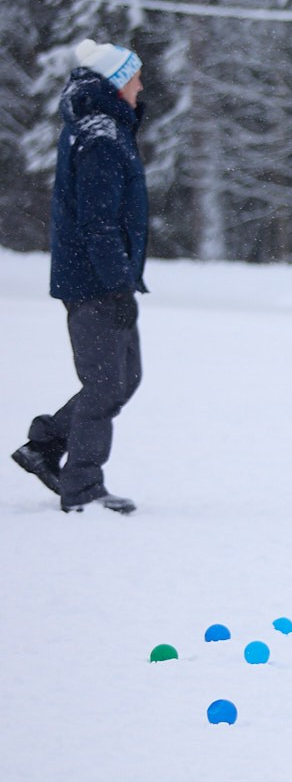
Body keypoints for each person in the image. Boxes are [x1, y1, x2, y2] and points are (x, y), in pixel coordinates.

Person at [13, 40, 150, 515]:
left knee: (124, 378)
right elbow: (98, 223)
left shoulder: (103, 127)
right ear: (118, 81)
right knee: (105, 384)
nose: (141, 87)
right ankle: (83, 488)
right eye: (136, 78)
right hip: (94, 281)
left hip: (99, 278)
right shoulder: (100, 137)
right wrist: (116, 284)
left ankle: (45, 444)